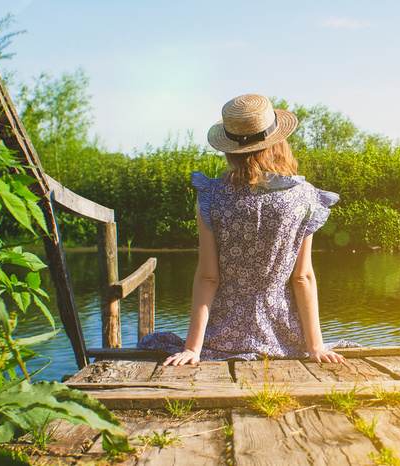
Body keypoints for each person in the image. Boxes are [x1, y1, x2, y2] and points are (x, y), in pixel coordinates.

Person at [138, 94, 358, 365]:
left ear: (230, 149)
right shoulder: (305, 197)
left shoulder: (211, 195)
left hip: (221, 338)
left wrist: (193, 349)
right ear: (278, 144)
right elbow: (302, 278)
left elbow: (208, 277)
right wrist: (315, 347)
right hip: (284, 337)